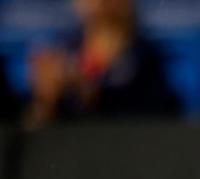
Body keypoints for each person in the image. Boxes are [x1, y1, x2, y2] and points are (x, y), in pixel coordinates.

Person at [25, 0, 179, 128]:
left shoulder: (143, 57)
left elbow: (145, 120)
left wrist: (91, 93)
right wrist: (46, 102)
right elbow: (35, 131)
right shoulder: (66, 49)